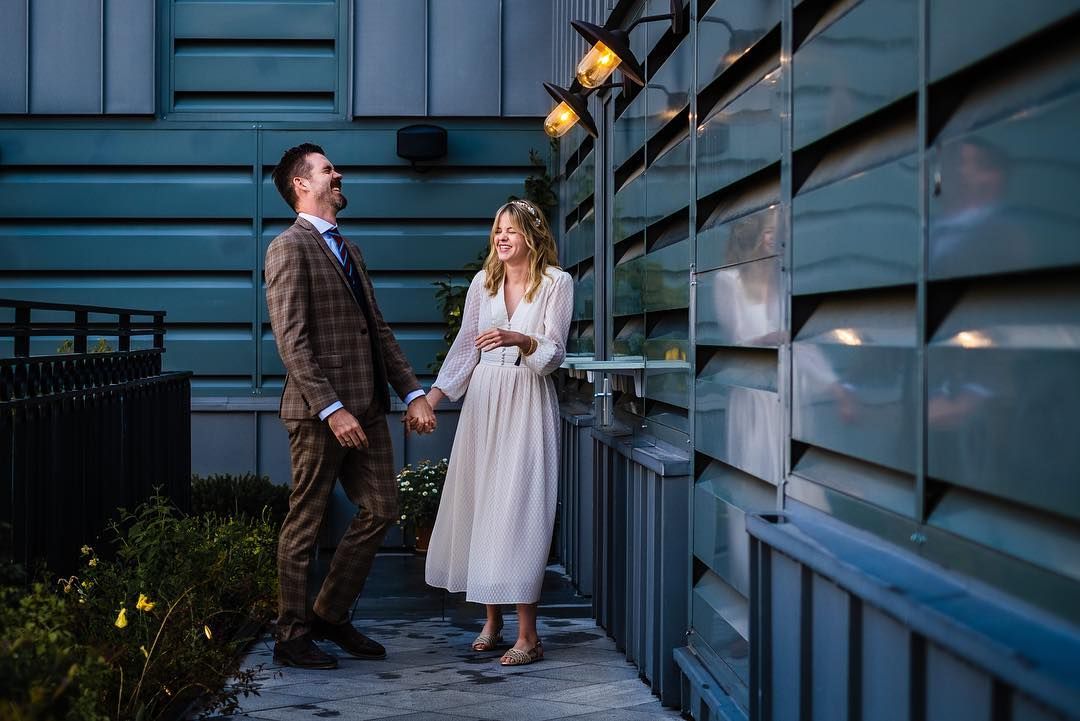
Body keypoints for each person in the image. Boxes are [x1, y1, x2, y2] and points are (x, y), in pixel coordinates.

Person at [265, 143, 437, 670]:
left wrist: (413, 392)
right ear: (301, 184)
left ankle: (329, 614)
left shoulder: (349, 249)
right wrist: (331, 409)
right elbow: (292, 342)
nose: (337, 174)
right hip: (320, 414)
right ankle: (291, 635)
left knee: (383, 508)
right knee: (307, 520)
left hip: (368, 408)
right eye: (326, 170)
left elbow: (375, 330)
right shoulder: (288, 248)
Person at [424, 199, 573, 666]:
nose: (502, 237)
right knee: (482, 504)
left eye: (511, 229)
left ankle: (528, 636)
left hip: (527, 399)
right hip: (483, 403)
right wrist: (432, 399)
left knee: (520, 510)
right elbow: (465, 349)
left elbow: (554, 353)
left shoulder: (557, 283)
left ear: (532, 234)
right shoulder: (482, 283)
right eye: (497, 230)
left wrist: (521, 339)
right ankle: (491, 621)